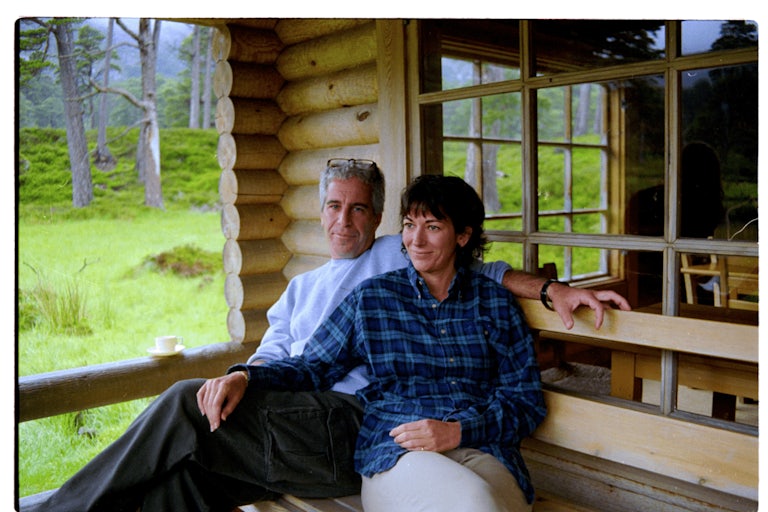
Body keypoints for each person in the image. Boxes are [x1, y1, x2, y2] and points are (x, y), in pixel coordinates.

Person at [25, 160, 627, 512]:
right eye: (335, 206)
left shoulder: (396, 256)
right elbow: (296, 362)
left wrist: (552, 291)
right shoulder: (306, 290)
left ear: (378, 218)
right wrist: (244, 375)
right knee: (200, 462)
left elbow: (487, 273)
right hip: (311, 418)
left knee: (188, 408)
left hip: (351, 419)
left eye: (360, 209)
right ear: (320, 210)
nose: (346, 220)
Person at [228, 174, 546, 511]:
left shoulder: (494, 303)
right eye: (410, 225)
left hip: (484, 447)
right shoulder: (373, 298)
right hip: (398, 450)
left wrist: (459, 431)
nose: (416, 241)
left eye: (433, 227)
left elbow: (525, 401)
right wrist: (246, 376)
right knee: (477, 504)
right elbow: (312, 366)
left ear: (464, 236)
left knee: (501, 505)